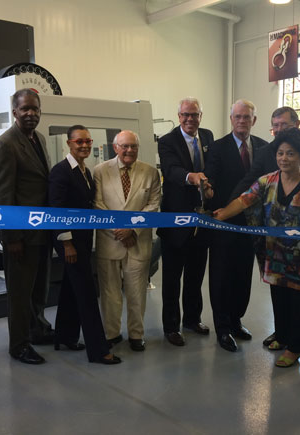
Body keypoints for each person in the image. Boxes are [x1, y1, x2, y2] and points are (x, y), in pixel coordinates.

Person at [213, 128, 300, 367]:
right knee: (280, 298)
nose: (284, 158)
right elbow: (245, 199)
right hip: (275, 255)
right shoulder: (268, 181)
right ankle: (283, 336)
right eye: (280, 153)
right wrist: (222, 214)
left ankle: (296, 347)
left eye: (290, 154)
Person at [0, 88, 53, 365]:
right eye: (25, 109)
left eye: (35, 109)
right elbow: (4, 195)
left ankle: (37, 329)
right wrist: (11, 237)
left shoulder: (38, 138)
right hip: (20, 236)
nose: (31, 114)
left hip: (41, 232)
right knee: (19, 293)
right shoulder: (6, 144)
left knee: (39, 288)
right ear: (14, 112)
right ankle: (18, 345)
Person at [48, 125, 121, 365]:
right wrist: (67, 243)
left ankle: (65, 336)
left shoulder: (85, 172)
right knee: (88, 293)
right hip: (69, 241)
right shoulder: (60, 172)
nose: (85, 146)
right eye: (79, 142)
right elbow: (56, 210)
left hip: (82, 238)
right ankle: (99, 351)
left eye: (88, 141)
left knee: (71, 288)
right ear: (69, 143)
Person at [204, 99, 268, 352]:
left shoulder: (264, 148)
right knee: (221, 277)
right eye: (237, 117)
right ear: (231, 119)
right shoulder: (217, 148)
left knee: (243, 276)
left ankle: (236, 320)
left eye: (247, 117)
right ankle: (222, 328)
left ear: (254, 120)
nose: (242, 121)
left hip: (252, 226)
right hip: (224, 222)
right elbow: (211, 182)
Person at [94, 130, 161, 352]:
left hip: (138, 242)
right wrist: (119, 229)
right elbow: (98, 205)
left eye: (133, 146)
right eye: (125, 146)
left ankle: (136, 334)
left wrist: (131, 229)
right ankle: (111, 333)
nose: (129, 150)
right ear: (115, 148)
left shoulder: (150, 172)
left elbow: (153, 204)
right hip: (109, 241)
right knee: (110, 292)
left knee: (136, 293)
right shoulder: (100, 172)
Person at [157, 97, 214, 346]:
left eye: (194, 115)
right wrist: (192, 177)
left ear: (201, 115)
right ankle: (171, 326)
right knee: (172, 278)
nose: (190, 119)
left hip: (202, 222)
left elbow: (213, 168)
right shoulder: (168, 141)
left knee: (195, 275)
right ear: (178, 116)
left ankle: (192, 319)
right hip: (175, 222)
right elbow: (170, 170)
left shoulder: (209, 137)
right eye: (185, 115)